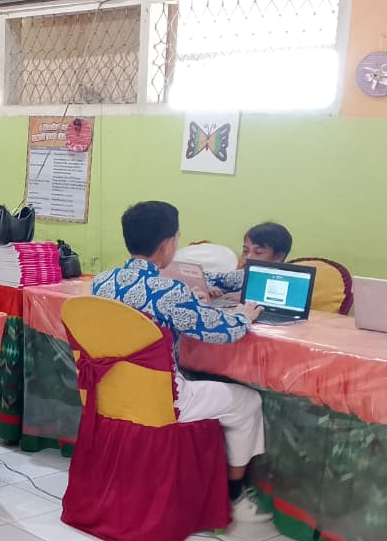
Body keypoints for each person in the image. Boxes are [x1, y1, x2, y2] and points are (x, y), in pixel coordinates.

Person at [93, 201, 270, 524]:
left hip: (110, 390)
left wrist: (194, 301)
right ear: (167, 244)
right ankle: (235, 494)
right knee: (249, 401)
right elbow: (222, 332)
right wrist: (244, 315)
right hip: (160, 399)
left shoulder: (102, 282)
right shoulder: (171, 292)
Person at [206, 221, 293, 298]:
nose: (248, 257)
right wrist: (207, 287)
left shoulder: (290, 281)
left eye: (258, 252)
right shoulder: (242, 275)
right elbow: (204, 276)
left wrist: (247, 297)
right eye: (245, 251)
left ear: (278, 257)